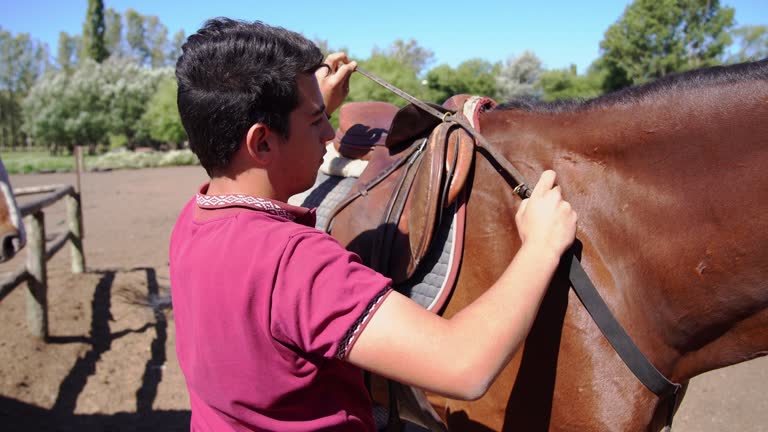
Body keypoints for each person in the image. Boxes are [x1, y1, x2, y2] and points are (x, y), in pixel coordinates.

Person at [170, 18, 577, 432]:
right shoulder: (296, 262)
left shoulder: (194, 219)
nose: (330, 133)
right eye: (315, 122)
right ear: (262, 142)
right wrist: (541, 246)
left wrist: (310, 105)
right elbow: (463, 366)